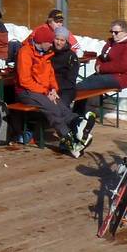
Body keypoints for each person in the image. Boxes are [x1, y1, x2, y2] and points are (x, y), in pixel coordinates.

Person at [15, 25, 95, 157]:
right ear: (42, 42)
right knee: (51, 107)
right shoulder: (25, 53)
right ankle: (68, 137)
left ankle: (77, 123)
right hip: (26, 91)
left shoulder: (47, 53)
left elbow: (50, 74)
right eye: (50, 42)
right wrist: (46, 92)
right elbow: (25, 80)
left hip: (42, 89)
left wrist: (53, 89)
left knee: (58, 103)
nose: (52, 44)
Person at [75, 20, 127, 114]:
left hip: (121, 77)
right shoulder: (111, 42)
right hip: (106, 74)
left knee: (87, 84)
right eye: (111, 32)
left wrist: (102, 68)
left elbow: (123, 66)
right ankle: (77, 113)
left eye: (116, 32)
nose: (113, 34)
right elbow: (101, 56)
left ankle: (69, 102)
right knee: (85, 84)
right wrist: (98, 65)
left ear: (125, 33)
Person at [51, 26, 79, 107]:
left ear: (66, 41)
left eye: (62, 40)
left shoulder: (71, 56)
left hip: (66, 89)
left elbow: (71, 79)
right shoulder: (49, 52)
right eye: (57, 39)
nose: (58, 42)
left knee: (59, 105)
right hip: (50, 87)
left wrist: (56, 88)